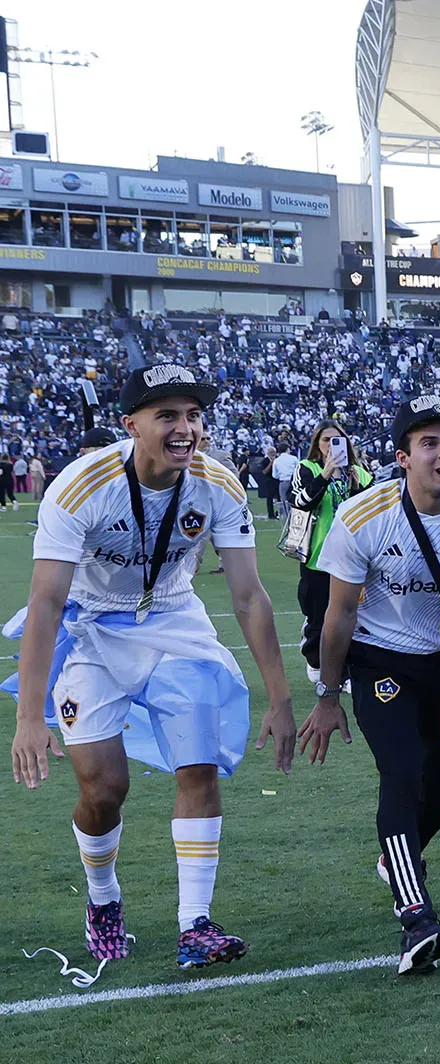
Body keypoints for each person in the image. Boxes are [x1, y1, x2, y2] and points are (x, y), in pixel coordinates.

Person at [8, 364, 296, 973]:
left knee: (198, 760)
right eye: (167, 415)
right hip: (92, 626)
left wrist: (281, 697)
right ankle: (104, 895)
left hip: (173, 619)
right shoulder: (81, 485)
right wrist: (28, 718)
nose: (185, 428)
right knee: (104, 788)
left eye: (193, 415)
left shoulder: (218, 483)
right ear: (130, 424)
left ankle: (195, 923)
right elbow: (47, 602)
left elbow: (248, 595)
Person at [299, 395, 440, 974]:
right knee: (402, 771)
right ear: (402, 457)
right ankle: (416, 918)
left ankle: (399, 861)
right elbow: (338, 615)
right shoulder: (362, 516)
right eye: (430, 444)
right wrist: (326, 694)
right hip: (380, 659)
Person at [289, 420, 375, 680]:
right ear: (317, 445)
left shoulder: (360, 472)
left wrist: (356, 486)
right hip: (319, 556)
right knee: (318, 615)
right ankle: (316, 661)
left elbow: (373, 512)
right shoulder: (307, 469)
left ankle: (347, 670)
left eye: (336, 440)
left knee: (355, 616)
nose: (331, 445)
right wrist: (325, 474)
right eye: (325, 440)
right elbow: (300, 502)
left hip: (355, 557)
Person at [270, 443, 300, 520]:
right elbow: (298, 469)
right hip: (294, 481)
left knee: (284, 500)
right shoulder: (293, 458)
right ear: (287, 449)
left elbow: (274, 475)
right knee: (296, 499)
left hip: (283, 482)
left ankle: (288, 517)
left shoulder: (276, 460)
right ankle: (296, 516)